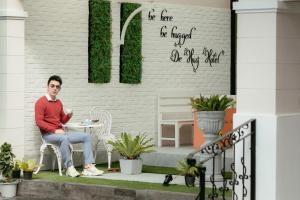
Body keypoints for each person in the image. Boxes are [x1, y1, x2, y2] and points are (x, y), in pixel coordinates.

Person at [35, 75, 103, 177]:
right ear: (47, 87)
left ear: (60, 89)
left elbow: (62, 120)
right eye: (52, 86)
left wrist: (69, 116)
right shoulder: (40, 102)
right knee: (64, 139)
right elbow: (39, 122)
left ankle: (88, 167)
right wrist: (54, 130)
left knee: (86, 137)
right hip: (49, 135)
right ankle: (69, 167)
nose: (54, 88)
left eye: (57, 87)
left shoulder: (58, 102)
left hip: (61, 133)